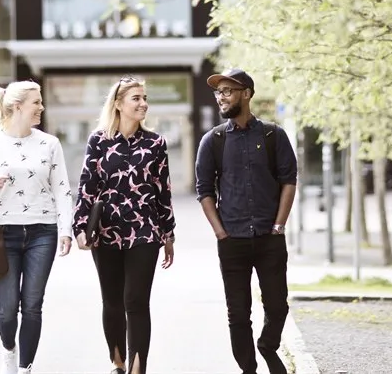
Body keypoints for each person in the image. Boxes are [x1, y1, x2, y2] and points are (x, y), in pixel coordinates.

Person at [194, 68, 298, 374]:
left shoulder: (272, 135)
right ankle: (248, 369)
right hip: (232, 241)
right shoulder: (212, 140)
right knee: (238, 314)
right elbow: (204, 190)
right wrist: (220, 232)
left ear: (246, 94)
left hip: (269, 237)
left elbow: (289, 180)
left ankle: (267, 345)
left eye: (228, 91)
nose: (221, 98)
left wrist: (279, 226)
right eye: (219, 92)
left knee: (277, 306)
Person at [73, 76, 176, 374]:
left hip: (145, 232)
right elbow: (87, 187)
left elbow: (162, 191)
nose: (143, 103)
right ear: (118, 104)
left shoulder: (156, 143)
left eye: (144, 98)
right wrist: (81, 226)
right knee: (113, 301)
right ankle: (116, 362)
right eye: (136, 98)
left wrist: (168, 234)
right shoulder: (98, 140)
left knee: (137, 301)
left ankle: (137, 368)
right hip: (106, 233)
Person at [0, 80, 74, 374]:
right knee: (6, 309)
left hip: (43, 231)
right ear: (17, 107)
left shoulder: (49, 144)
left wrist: (65, 229)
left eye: (40, 102)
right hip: (3, 234)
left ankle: (26, 368)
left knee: (31, 305)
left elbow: (62, 189)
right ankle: (9, 351)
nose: (41, 107)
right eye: (36, 102)